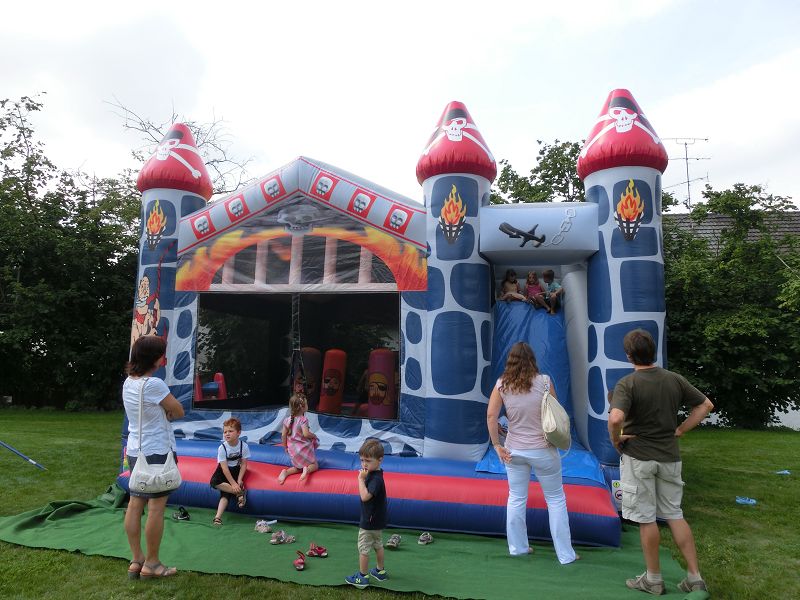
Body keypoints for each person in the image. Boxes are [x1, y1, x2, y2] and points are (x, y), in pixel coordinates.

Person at [608, 329, 714, 595]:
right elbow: (706, 405)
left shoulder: (627, 384)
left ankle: (653, 579)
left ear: (629, 355)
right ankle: (695, 577)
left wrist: (616, 439)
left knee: (646, 518)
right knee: (674, 514)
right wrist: (681, 429)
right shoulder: (674, 379)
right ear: (653, 352)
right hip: (669, 456)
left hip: (638, 458)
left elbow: (616, 417)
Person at [486, 342, 579, 564]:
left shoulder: (502, 384)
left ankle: (518, 548)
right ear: (532, 360)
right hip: (543, 450)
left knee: (516, 498)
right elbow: (555, 412)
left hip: (514, 450)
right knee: (555, 500)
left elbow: (491, 416)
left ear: (510, 361)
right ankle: (566, 555)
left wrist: (497, 445)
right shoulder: (545, 382)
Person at [122, 335, 185, 579]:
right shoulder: (154, 384)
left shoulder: (129, 382)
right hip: (157, 450)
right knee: (156, 509)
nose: (164, 358)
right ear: (155, 359)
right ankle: (152, 564)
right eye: (162, 354)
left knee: (134, 503)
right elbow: (178, 410)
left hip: (136, 450)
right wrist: (167, 413)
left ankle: (136, 560)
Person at [345, 439, 388, 589]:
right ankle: (380, 571)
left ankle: (363, 577)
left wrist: (360, 480)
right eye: (362, 460)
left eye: (368, 461)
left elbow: (365, 496)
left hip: (369, 522)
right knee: (378, 545)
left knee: (363, 548)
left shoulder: (375, 479)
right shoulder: (376, 474)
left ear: (380, 460)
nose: (364, 464)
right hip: (377, 520)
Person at [209, 417, 250, 525]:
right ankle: (240, 493)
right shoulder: (222, 448)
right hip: (223, 470)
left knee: (225, 494)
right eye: (225, 432)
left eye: (230, 431)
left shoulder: (243, 446)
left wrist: (239, 479)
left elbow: (244, 464)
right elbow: (224, 468)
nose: (227, 434)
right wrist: (233, 484)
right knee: (214, 482)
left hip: (235, 469)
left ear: (238, 433)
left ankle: (217, 517)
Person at [278, 394, 319, 484]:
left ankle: (286, 472)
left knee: (298, 467)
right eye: (306, 404)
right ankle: (307, 470)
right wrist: (314, 435)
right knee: (315, 465)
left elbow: (283, 435)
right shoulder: (303, 420)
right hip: (303, 449)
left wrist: (285, 447)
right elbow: (306, 434)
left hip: (293, 450)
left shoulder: (287, 420)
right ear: (302, 407)